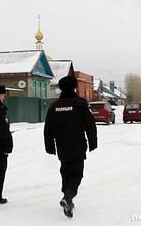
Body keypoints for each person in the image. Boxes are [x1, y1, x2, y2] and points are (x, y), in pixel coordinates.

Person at [44, 76, 97, 218]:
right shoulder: (80, 103)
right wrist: (93, 141)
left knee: (65, 170)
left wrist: (49, 146)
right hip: (78, 145)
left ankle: (67, 196)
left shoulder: (54, 106)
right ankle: (68, 197)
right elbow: (89, 124)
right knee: (77, 173)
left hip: (61, 145)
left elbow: (48, 128)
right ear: (74, 87)